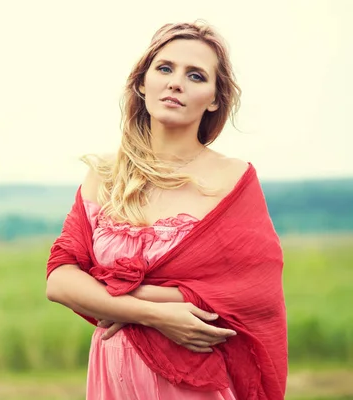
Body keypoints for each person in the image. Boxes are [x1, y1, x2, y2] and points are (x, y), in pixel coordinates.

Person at [46, 21, 288, 400]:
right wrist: (155, 313)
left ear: (213, 99)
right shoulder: (105, 174)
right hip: (112, 377)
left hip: (193, 379)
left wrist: (106, 297)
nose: (176, 82)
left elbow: (248, 293)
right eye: (165, 68)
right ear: (142, 83)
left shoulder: (233, 177)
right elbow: (59, 280)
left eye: (195, 75)